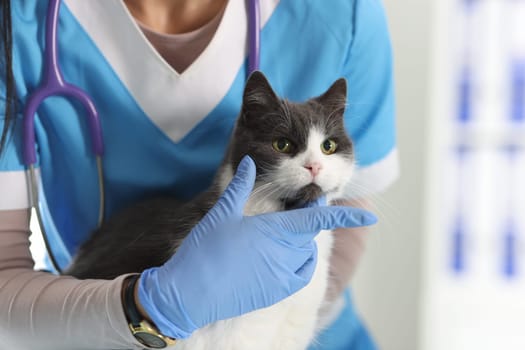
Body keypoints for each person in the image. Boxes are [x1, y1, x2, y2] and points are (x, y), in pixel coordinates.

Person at [0, 0, 398, 349]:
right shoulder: (18, 22)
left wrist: (278, 320)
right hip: (93, 321)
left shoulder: (343, 13)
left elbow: (344, 224)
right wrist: (146, 309)